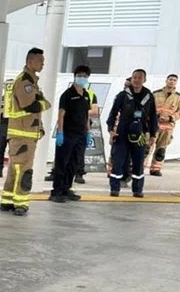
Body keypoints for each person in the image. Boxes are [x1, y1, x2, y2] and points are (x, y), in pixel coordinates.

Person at [0, 47, 50, 216]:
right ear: (30, 62)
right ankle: (20, 202)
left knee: (16, 168)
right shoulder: (25, 82)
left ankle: (7, 201)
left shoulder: (31, 81)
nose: (43, 64)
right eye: (40, 61)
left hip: (24, 133)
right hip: (23, 134)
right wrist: (45, 103)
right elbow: (30, 105)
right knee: (24, 170)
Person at [106, 68, 158, 198]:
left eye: (139, 77)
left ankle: (137, 190)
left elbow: (153, 117)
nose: (136, 80)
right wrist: (111, 130)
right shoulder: (122, 95)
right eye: (134, 77)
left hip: (140, 132)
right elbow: (112, 114)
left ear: (144, 80)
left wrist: (152, 135)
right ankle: (115, 188)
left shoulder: (149, 96)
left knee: (138, 161)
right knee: (118, 161)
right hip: (123, 130)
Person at [50, 65, 95, 203]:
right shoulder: (67, 94)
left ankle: (66, 188)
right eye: (79, 75)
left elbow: (87, 116)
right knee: (62, 162)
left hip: (81, 134)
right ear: (75, 76)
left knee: (74, 163)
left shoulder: (86, 95)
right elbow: (61, 114)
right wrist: (60, 133)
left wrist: (88, 132)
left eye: (85, 76)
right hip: (68, 134)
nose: (82, 78)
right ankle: (56, 191)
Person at [148, 73, 178, 176]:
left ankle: (155, 169)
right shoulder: (156, 94)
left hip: (167, 128)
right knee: (147, 148)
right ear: (166, 80)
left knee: (161, 149)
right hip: (154, 125)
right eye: (170, 79)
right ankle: (139, 167)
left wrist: (171, 117)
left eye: (174, 80)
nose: (172, 81)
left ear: (176, 83)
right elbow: (148, 108)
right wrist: (155, 116)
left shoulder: (178, 97)